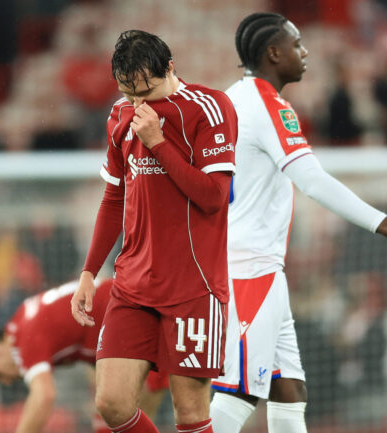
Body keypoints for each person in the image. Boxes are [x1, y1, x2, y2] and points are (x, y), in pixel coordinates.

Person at [209, 13, 387, 433]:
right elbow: (311, 179)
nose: (304, 53)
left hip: (253, 266)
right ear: (273, 53)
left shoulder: (230, 98)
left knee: (289, 393)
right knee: (239, 393)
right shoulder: (268, 105)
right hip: (250, 268)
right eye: (296, 44)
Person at [70, 30, 237, 433]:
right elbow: (113, 199)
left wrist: (158, 142)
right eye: (130, 93)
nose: (139, 102)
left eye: (148, 90)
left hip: (193, 289)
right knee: (110, 404)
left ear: (171, 68)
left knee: (191, 413)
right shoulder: (118, 116)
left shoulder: (210, 108)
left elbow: (215, 197)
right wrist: (89, 273)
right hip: (133, 286)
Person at [0, 279, 168, 433]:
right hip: (126, 308)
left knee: (132, 409)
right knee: (110, 418)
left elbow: (43, 396)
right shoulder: (23, 318)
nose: (7, 381)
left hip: (131, 315)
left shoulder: (22, 343)